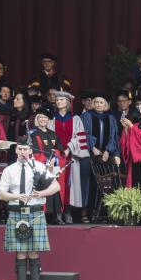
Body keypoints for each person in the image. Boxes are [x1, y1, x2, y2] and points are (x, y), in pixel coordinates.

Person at [0, 136, 61, 280]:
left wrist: (42, 193)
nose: (22, 152)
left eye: (25, 149)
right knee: (20, 252)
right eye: (20, 149)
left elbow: (56, 186)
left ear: (31, 150)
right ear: (16, 150)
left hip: (35, 212)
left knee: (33, 252)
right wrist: (17, 196)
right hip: (16, 212)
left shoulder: (39, 167)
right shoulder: (9, 170)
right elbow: (1, 194)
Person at [48, 91, 89, 223]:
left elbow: (80, 137)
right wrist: (58, 150)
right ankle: (58, 212)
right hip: (56, 157)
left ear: (68, 103)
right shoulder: (51, 119)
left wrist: (68, 148)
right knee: (56, 183)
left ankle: (68, 212)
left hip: (71, 157)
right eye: (57, 100)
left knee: (70, 185)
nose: (58, 102)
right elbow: (48, 137)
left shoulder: (76, 119)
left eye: (61, 100)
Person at [80, 94, 120, 221]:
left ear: (106, 104)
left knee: (105, 184)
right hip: (90, 155)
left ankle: (105, 212)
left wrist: (108, 151)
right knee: (90, 182)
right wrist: (93, 147)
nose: (98, 104)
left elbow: (114, 136)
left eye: (101, 102)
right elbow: (84, 133)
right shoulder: (86, 116)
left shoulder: (111, 117)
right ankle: (87, 212)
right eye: (96, 102)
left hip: (106, 157)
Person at [29, 106, 64, 224]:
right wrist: (46, 163)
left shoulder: (53, 134)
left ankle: (56, 216)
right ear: (37, 119)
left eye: (45, 118)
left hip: (54, 166)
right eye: (40, 117)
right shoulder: (33, 133)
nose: (43, 120)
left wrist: (54, 160)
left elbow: (59, 149)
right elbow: (34, 151)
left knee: (55, 189)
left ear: (48, 120)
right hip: (40, 166)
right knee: (43, 189)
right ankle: (42, 216)